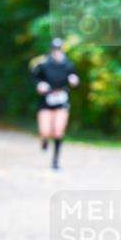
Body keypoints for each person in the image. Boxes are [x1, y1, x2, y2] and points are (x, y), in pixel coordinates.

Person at [31, 37, 80, 170]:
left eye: (59, 49)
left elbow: (75, 78)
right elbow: (35, 78)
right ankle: (44, 140)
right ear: (51, 50)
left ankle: (55, 161)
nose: (57, 52)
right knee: (44, 131)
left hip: (61, 100)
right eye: (55, 49)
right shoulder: (43, 64)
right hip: (46, 100)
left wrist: (74, 80)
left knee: (58, 131)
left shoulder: (68, 65)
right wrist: (39, 85)